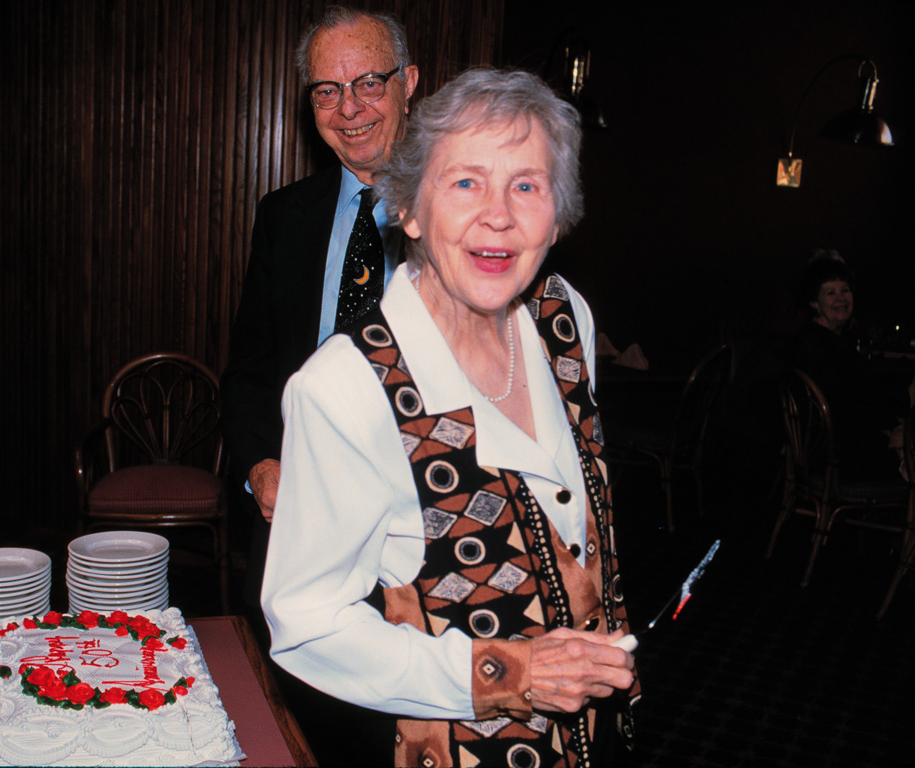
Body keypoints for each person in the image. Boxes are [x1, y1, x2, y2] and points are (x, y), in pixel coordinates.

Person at [262, 68, 639, 767]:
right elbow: (306, 627)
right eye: (465, 181)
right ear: (407, 209)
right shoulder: (344, 388)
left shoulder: (565, 319)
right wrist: (513, 675)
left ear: (555, 215)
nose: (498, 214)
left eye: (526, 185)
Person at [220, 6, 419, 619]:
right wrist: (259, 465)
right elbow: (250, 368)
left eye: (368, 83)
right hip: (301, 524)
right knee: (288, 706)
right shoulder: (284, 217)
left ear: (408, 84)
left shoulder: (461, 210)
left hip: (422, 527)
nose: (349, 109)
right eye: (327, 90)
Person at [785, 251, 904, 479]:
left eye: (845, 291)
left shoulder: (835, 341)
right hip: (835, 460)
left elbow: (862, 398)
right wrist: (891, 435)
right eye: (830, 292)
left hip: (838, 450)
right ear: (814, 302)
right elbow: (844, 411)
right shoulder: (814, 346)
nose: (841, 298)